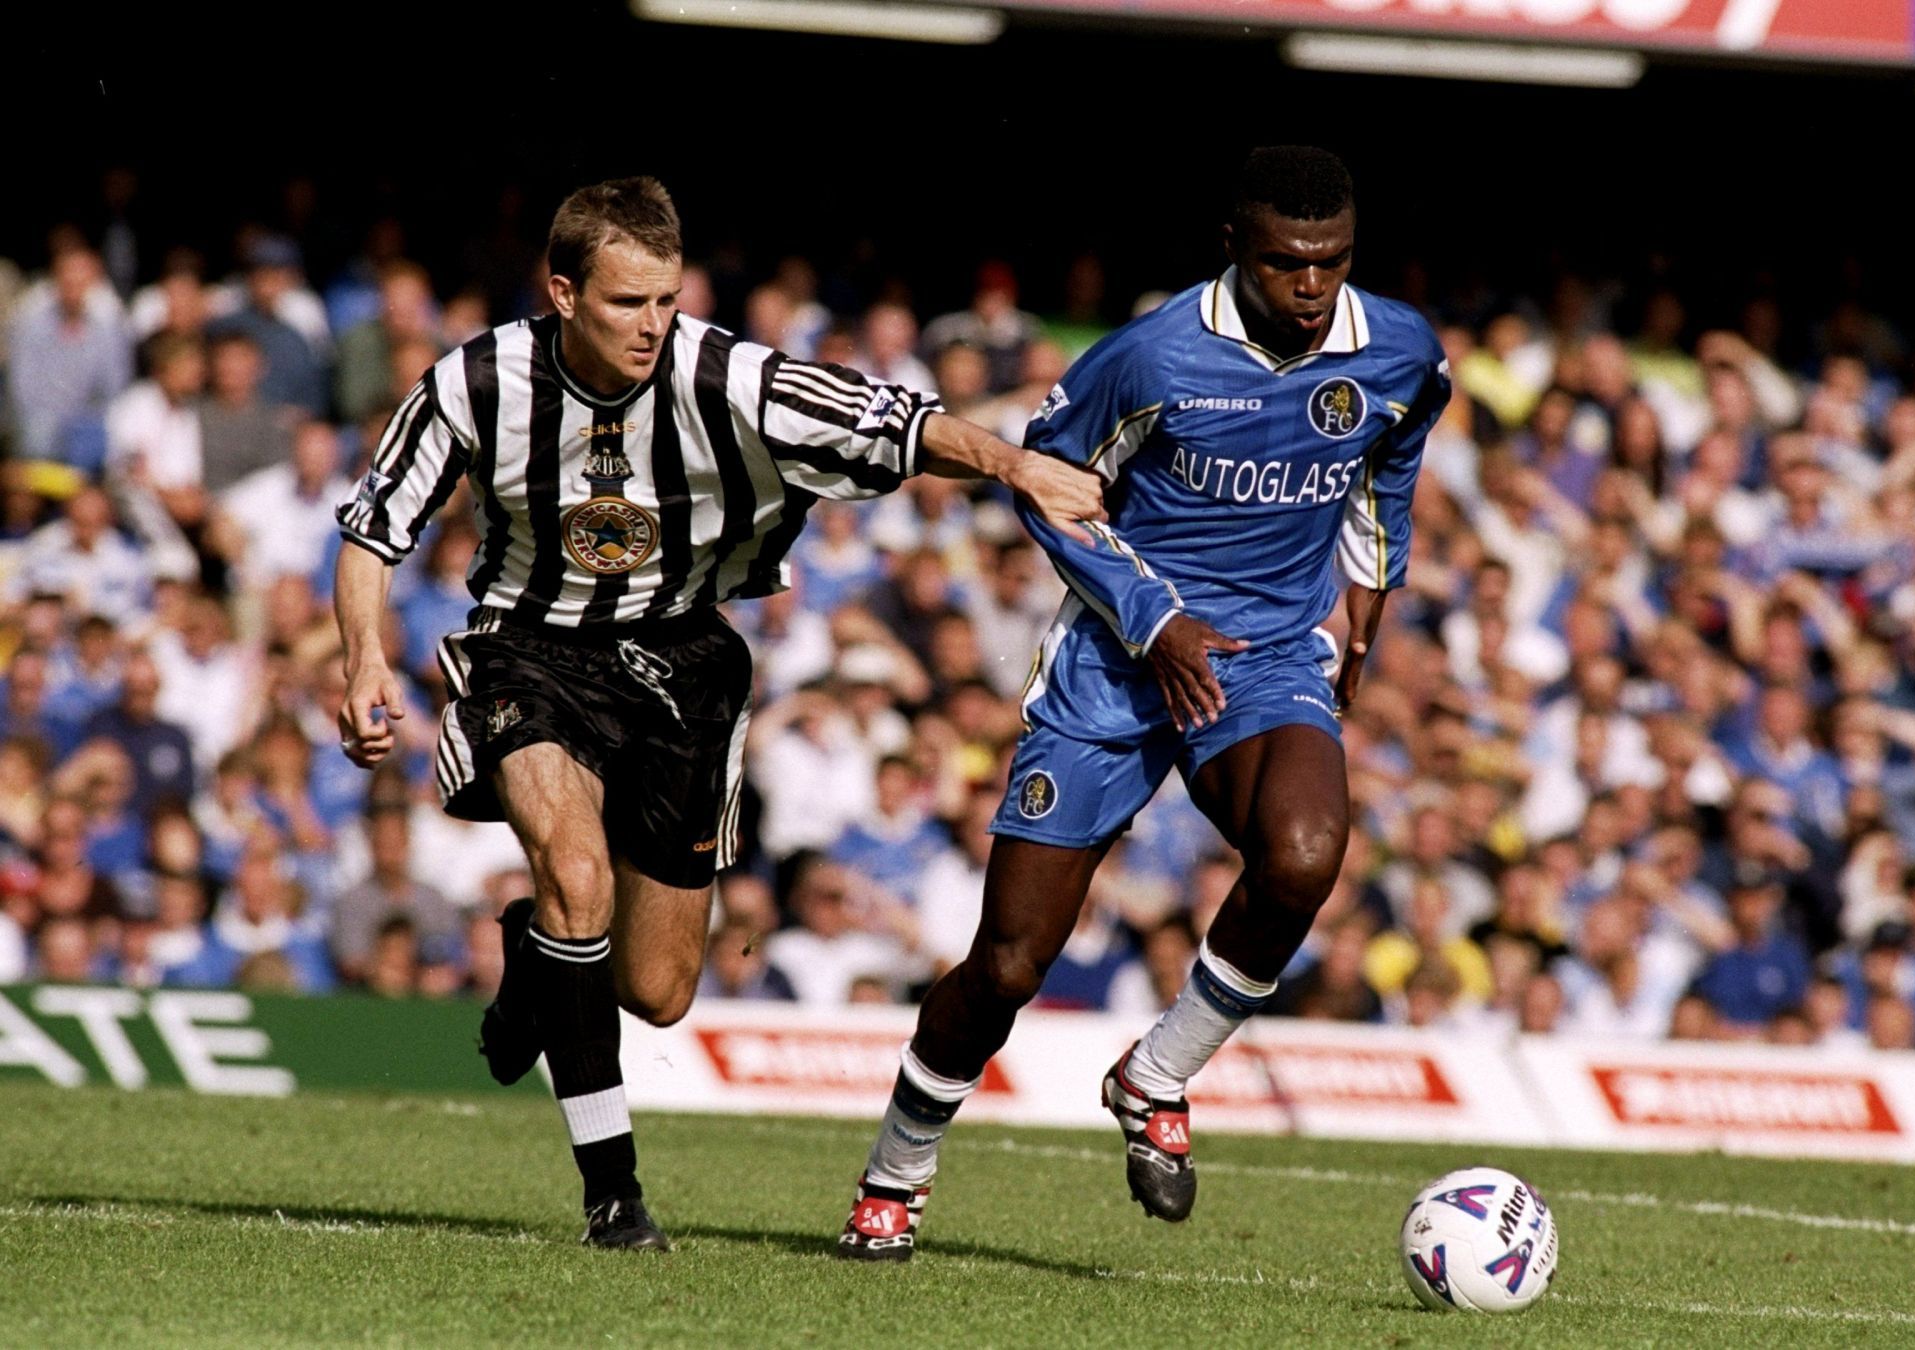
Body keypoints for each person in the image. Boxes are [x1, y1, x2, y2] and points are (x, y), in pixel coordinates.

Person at [331, 177, 1103, 1252]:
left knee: (656, 989)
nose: (653, 325)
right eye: (625, 303)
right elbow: (373, 530)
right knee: (575, 870)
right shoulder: (476, 383)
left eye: (666, 299)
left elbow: (898, 422)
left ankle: (534, 960)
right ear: (562, 292)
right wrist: (365, 655)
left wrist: (1023, 467)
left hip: (686, 663)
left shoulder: (730, 378)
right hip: (530, 647)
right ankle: (615, 1198)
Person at [835, 147, 1448, 1260]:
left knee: (1307, 854)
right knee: (1011, 962)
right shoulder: (1152, 357)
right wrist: (1152, 618)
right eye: (1285, 265)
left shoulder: (1399, 346)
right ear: (1233, 250)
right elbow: (1048, 487)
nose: (1312, 288)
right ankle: (899, 1167)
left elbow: (1390, 457)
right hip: (1117, 665)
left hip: (1261, 657)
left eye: (1332, 264)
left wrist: (1368, 591)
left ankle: (1156, 1074)